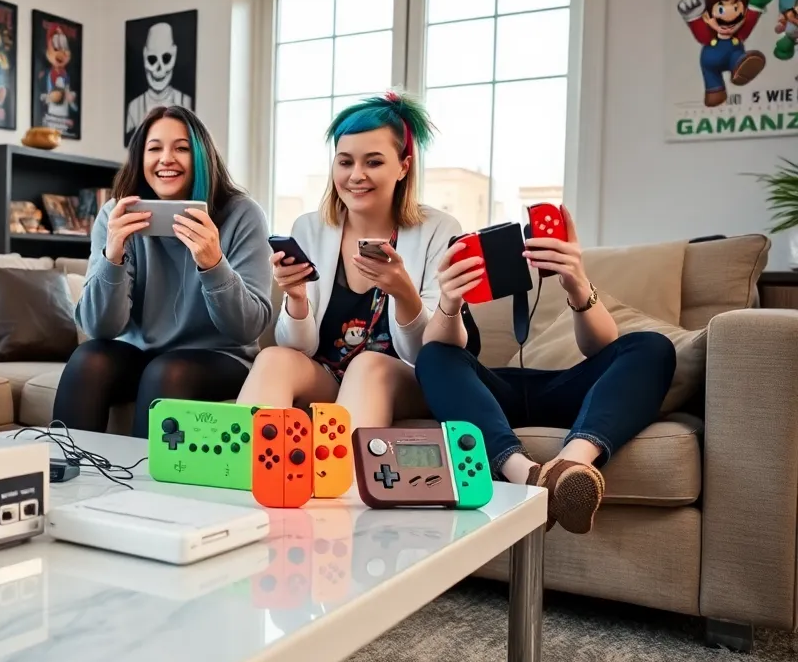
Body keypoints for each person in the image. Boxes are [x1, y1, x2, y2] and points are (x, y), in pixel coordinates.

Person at [413, 205, 676, 535]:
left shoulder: (575, 281)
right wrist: (450, 303)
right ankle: (527, 474)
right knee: (434, 356)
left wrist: (577, 282)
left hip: (574, 395)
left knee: (653, 346)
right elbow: (439, 351)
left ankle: (569, 465)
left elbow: (602, 346)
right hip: (491, 397)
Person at [236, 93, 465, 430]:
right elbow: (298, 346)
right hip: (329, 376)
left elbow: (424, 355)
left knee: (367, 366)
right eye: (345, 162)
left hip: (402, 378)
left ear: (403, 167)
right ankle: (244, 477)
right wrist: (297, 299)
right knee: (273, 358)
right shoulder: (310, 228)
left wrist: (404, 293)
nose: (356, 175)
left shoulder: (438, 229)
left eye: (373, 162)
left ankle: (342, 484)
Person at [53, 105, 275, 437]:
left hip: (219, 358)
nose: (166, 159)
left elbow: (246, 329)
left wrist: (213, 263)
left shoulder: (242, 214)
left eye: (181, 148)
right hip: (138, 354)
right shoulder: (116, 214)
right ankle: (63, 476)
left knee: (168, 370)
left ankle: (146, 487)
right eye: (154, 148)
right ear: (140, 159)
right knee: (89, 359)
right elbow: (100, 327)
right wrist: (113, 254)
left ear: (202, 157)